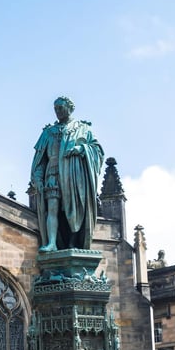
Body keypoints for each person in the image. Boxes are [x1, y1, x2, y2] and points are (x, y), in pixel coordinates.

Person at [30, 97, 104, 252]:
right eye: (55, 108)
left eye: (61, 108)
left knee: (76, 209)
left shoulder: (83, 128)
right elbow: (40, 159)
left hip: (73, 175)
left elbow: (97, 150)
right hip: (53, 172)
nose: (58, 111)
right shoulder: (48, 132)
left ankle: (74, 242)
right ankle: (51, 243)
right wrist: (37, 177)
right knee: (52, 208)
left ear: (70, 108)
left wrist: (82, 149)